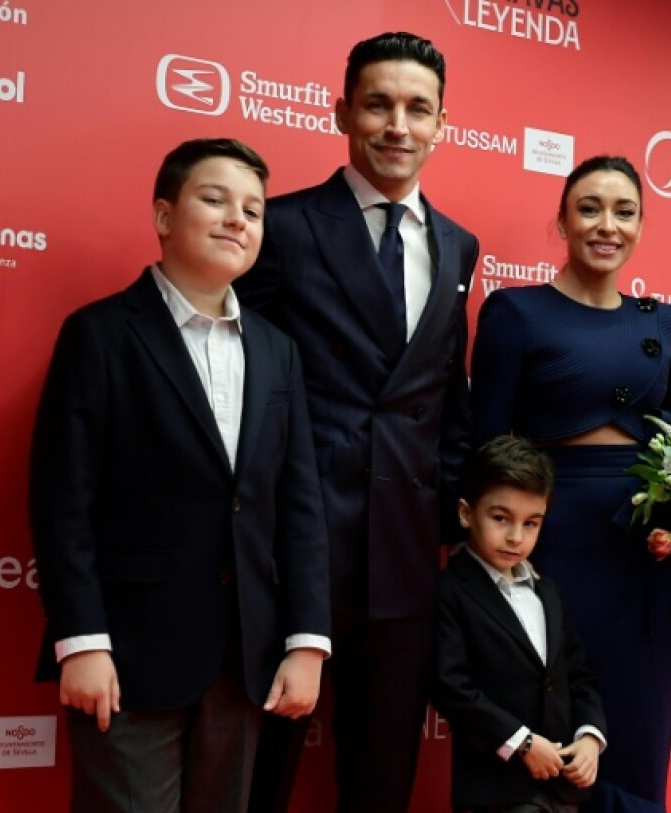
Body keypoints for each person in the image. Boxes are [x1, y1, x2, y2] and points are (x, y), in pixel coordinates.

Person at [29, 138, 330, 813]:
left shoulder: (279, 351)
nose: (237, 219)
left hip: (246, 658)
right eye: (215, 199)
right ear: (164, 216)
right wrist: (81, 640)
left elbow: (299, 502)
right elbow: (62, 501)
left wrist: (307, 640)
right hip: (128, 655)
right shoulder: (100, 334)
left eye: (253, 209)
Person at [234, 30, 479, 813]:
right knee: (256, 775)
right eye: (378, 104)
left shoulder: (458, 246)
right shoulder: (283, 226)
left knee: (381, 781)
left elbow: (447, 393)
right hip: (291, 551)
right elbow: (244, 386)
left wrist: (448, 518)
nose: (397, 125)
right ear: (343, 111)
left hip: (405, 555)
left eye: (417, 108)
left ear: (444, 123)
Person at [469, 155, 671, 813]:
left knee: (636, 732)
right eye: (589, 207)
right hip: (548, 545)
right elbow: (487, 444)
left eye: (624, 211)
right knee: (550, 733)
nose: (606, 224)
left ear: (642, 226)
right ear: (561, 220)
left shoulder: (662, 321)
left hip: (643, 555)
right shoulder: (515, 313)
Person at [432, 435, 608, 813]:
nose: (515, 537)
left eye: (531, 523)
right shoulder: (450, 590)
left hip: (561, 788)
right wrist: (522, 742)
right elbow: (451, 686)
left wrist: (590, 737)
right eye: (500, 519)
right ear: (466, 513)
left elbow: (578, 676)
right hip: (495, 790)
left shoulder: (548, 592)